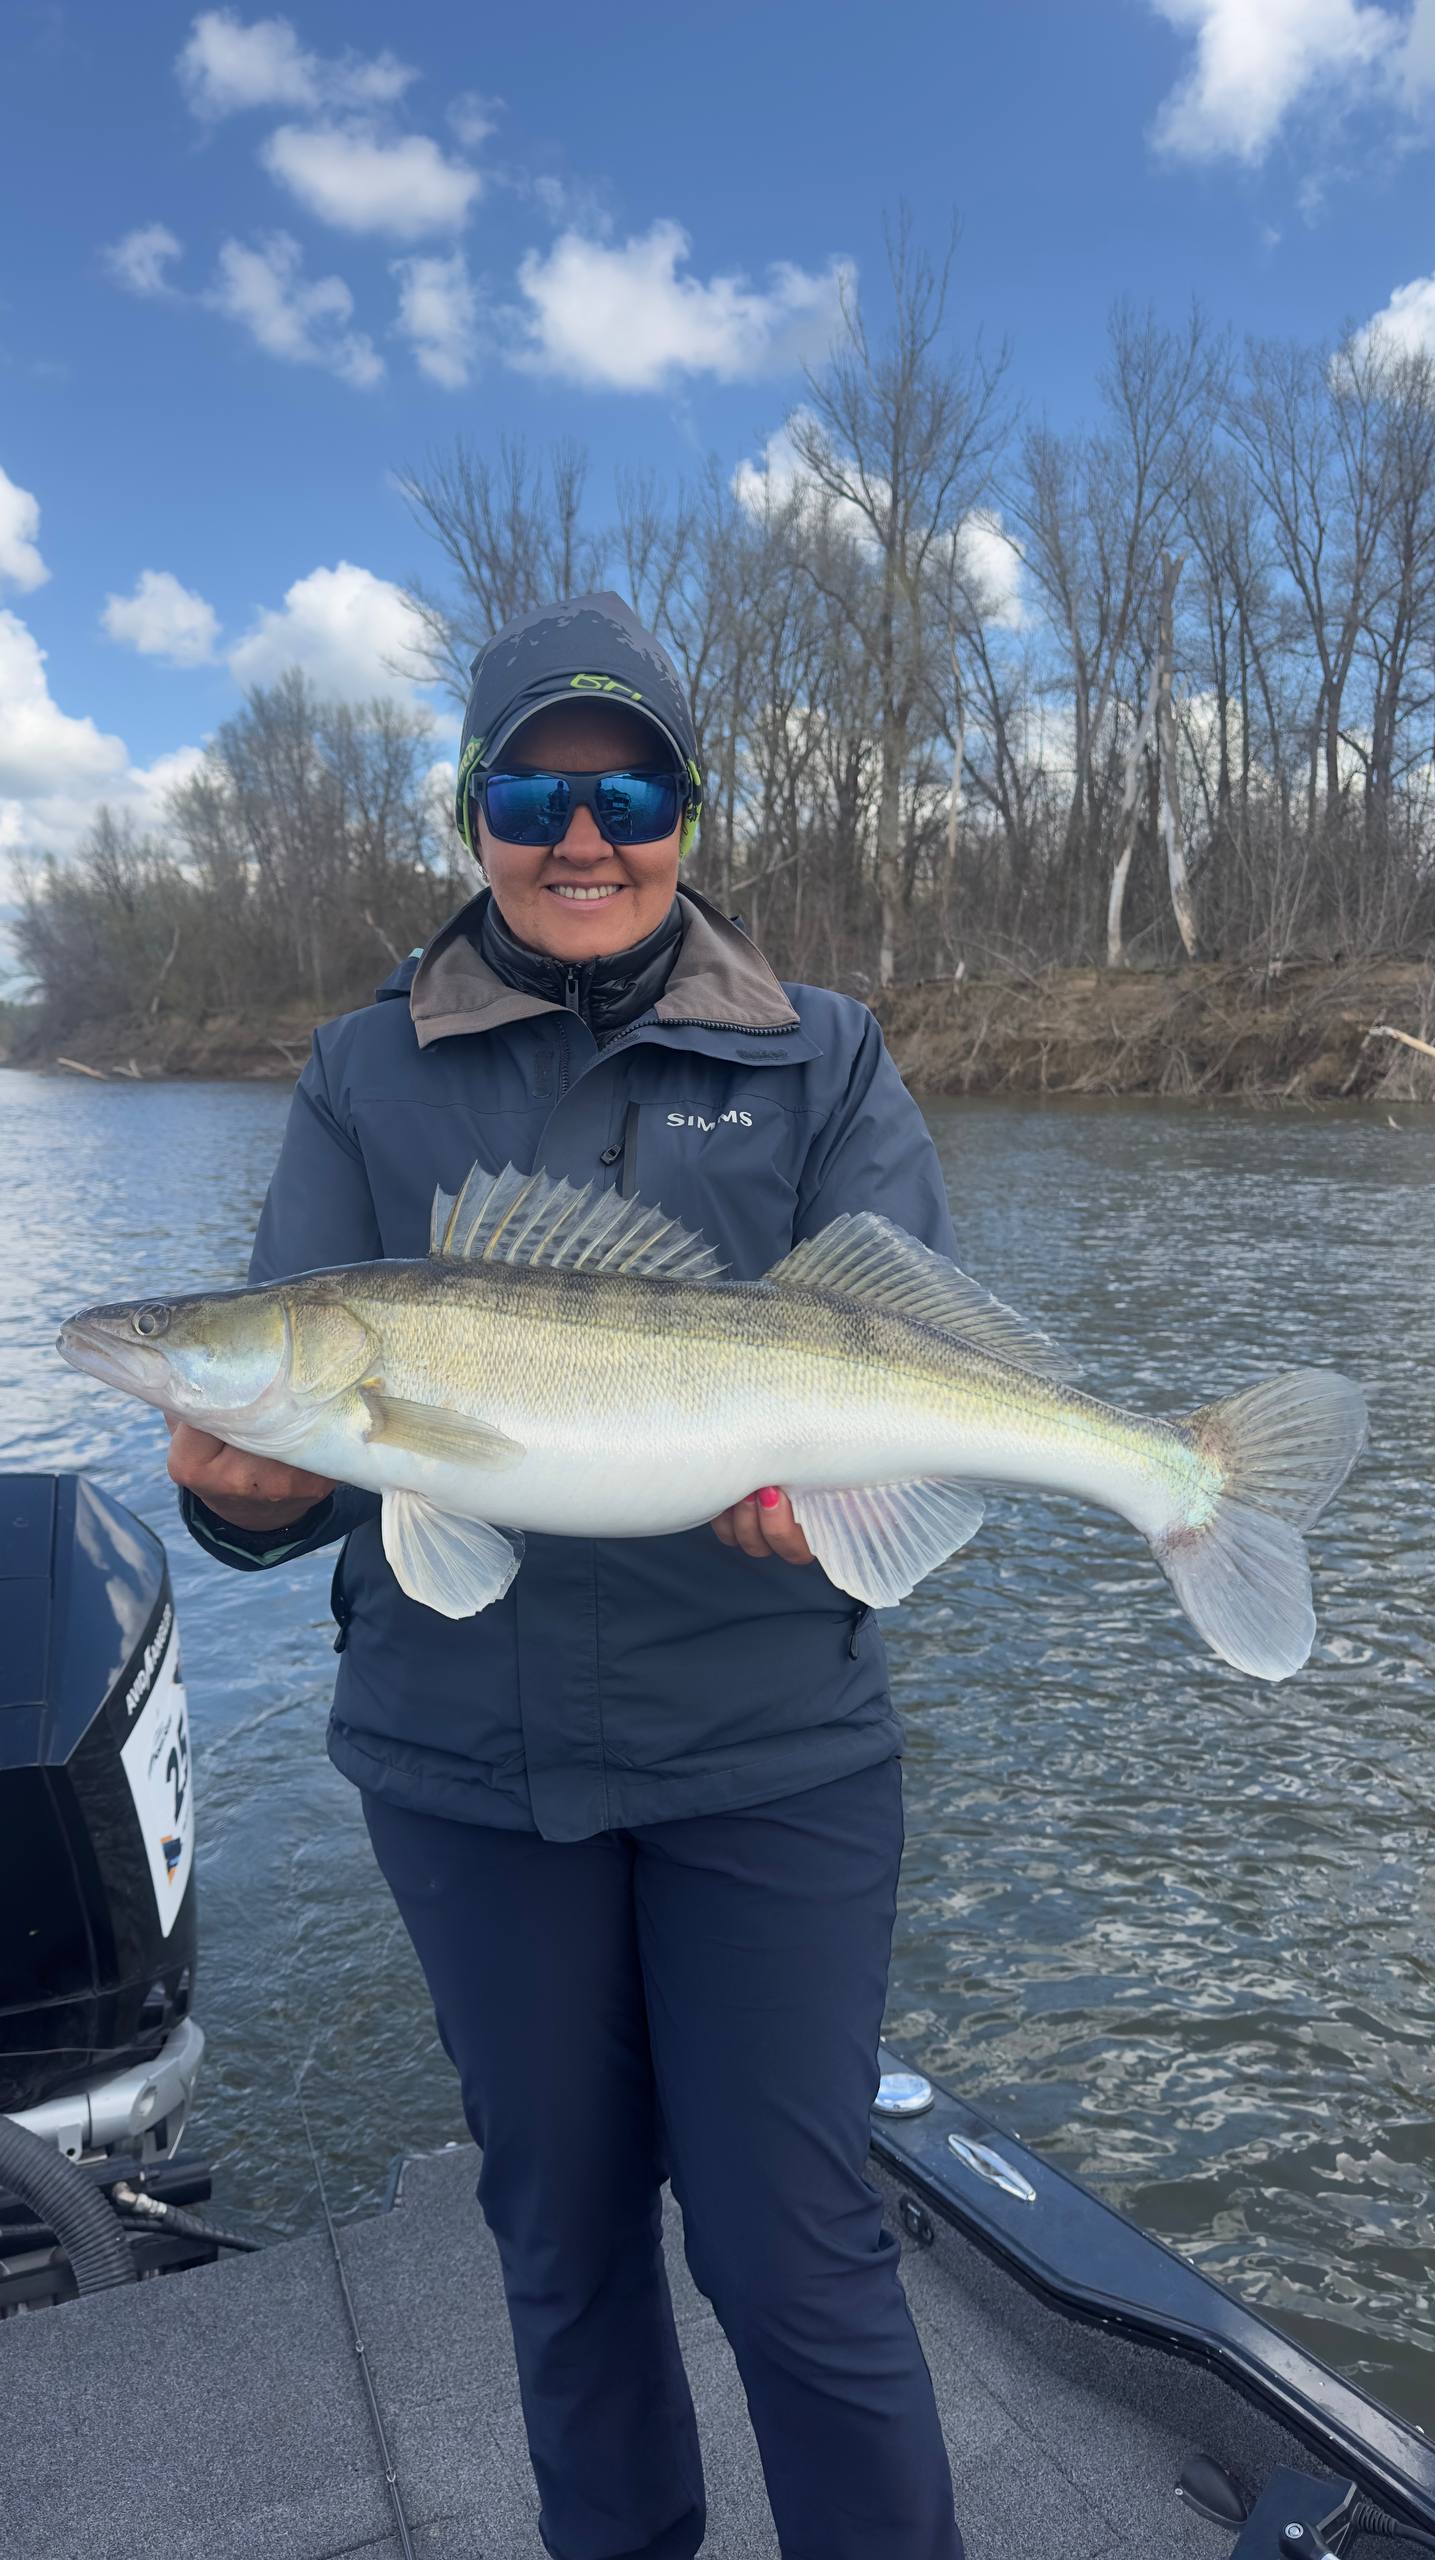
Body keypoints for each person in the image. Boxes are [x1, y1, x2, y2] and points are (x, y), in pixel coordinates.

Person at [169, 591, 968, 2560]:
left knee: (794, 2256)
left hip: (772, 1750)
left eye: (633, 793)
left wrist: (860, 1492)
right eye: (535, 793)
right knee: (565, 2245)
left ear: (691, 814)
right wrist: (249, 1501)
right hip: (465, 1765)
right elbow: (313, 1443)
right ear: (474, 813)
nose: (584, 836)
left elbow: (910, 1365)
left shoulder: (825, 1056)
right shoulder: (360, 1071)